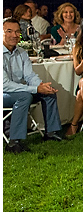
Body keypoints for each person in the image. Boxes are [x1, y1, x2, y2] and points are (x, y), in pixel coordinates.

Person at [3, 18, 65, 152]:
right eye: (9, 31)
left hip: (18, 90)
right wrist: (35, 88)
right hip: (4, 93)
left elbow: (29, 76)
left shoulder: (21, 52)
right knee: (24, 96)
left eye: (17, 32)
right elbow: (5, 85)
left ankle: (51, 133)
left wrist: (42, 86)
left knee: (48, 93)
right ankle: (14, 142)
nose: (14, 35)